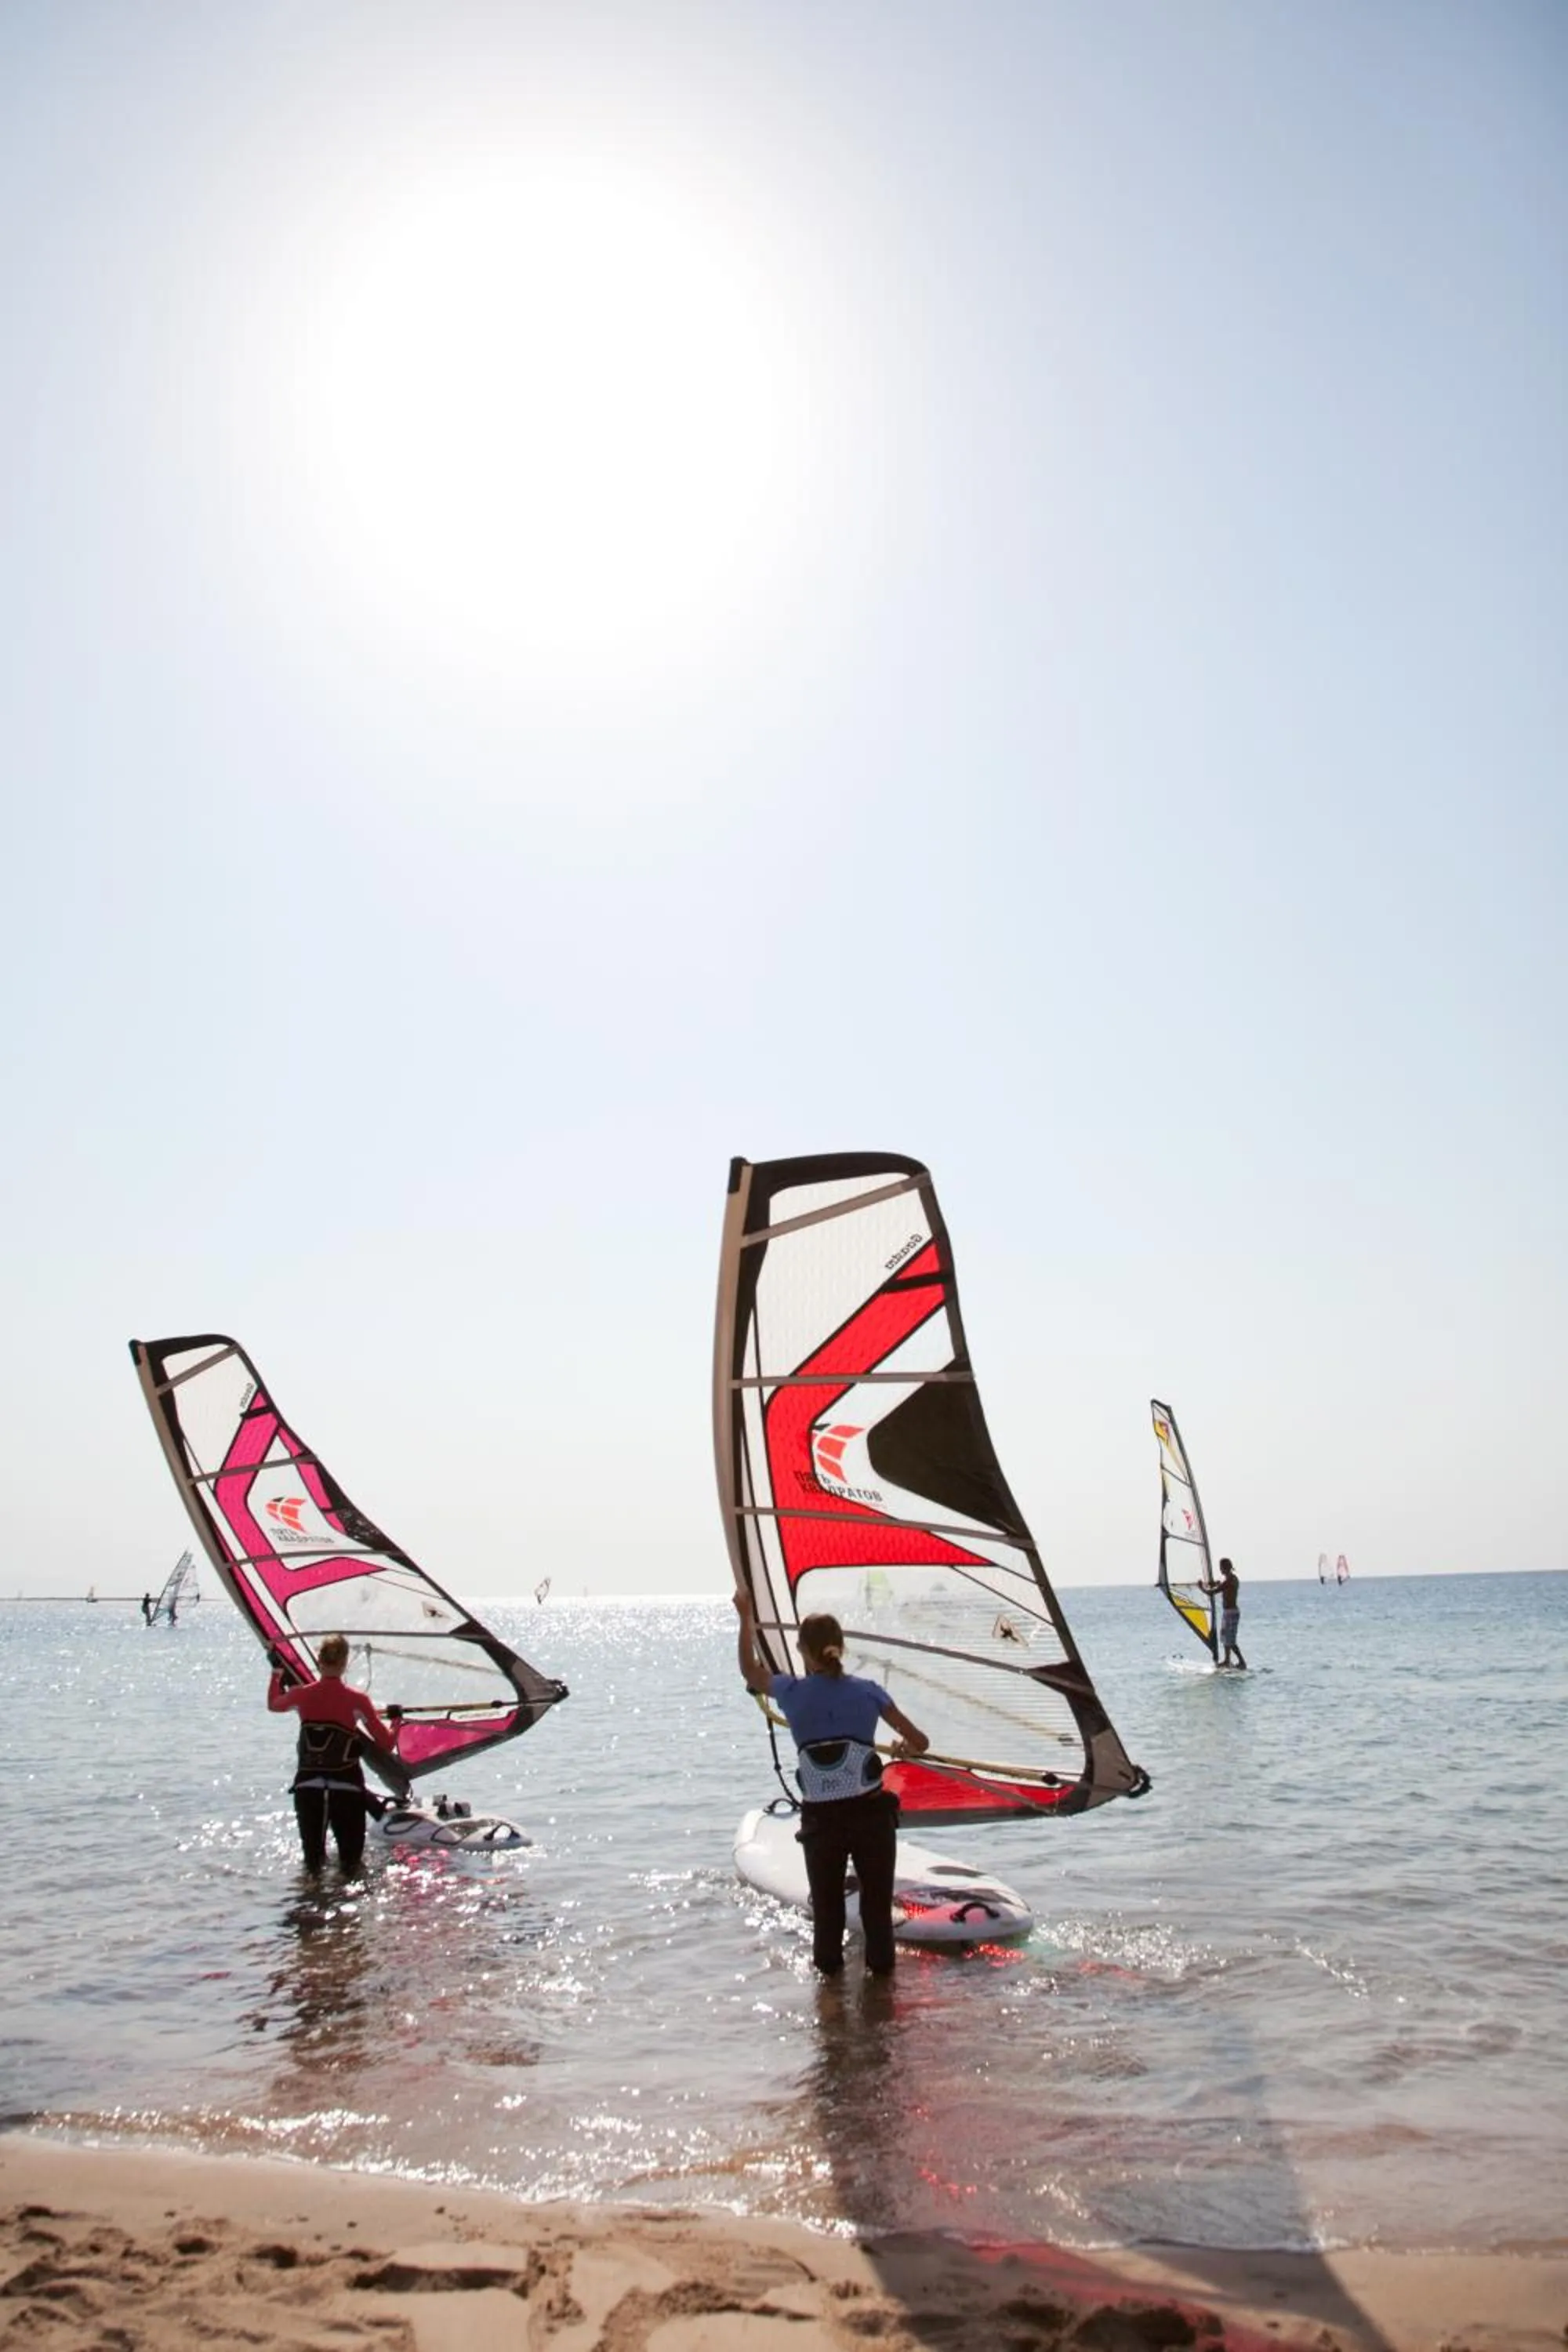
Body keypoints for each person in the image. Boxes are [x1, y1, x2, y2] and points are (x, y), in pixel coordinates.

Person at [733, 1591, 930, 1977]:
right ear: (840, 1648)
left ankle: (830, 2014)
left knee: (827, 1916)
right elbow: (920, 1743)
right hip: (872, 1818)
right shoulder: (870, 1691)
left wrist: (746, 1616)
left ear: (805, 1652)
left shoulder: (791, 1691)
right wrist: (905, 1748)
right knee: (877, 1915)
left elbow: (750, 1671)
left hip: (822, 1823)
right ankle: (881, 2009)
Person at [267, 1633, 407, 1873]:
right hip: (346, 1789)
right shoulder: (358, 1700)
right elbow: (386, 1744)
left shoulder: (301, 1695)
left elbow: (274, 1704)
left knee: (312, 1865)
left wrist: (277, 1673)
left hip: (308, 1788)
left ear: (319, 1661)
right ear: (344, 1664)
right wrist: (396, 1721)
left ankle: (310, 1903)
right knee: (351, 1866)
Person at [1200, 1557, 1247, 1669]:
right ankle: (1227, 1661)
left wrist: (1201, 1587)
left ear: (1226, 1567)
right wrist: (1215, 1584)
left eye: (1221, 1567)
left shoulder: (1230, 1580)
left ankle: (1242, 1662)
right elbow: (1220, 1585)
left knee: (1230, 1640)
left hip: (1231, 1612)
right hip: (1228, 1612)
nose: (1220, 1570)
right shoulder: (1228, 1579)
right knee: (1225, 1638)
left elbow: (1211, 1593)